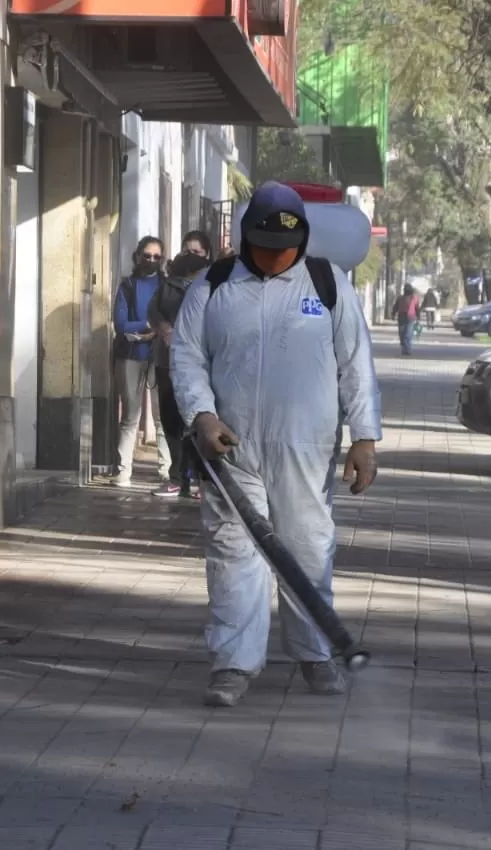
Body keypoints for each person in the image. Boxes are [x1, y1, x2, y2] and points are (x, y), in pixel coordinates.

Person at [171, 181, 382, 707]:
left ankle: (314, 655)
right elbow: (187, 356)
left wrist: (365, 439)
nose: (273, 259)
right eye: (263, 248)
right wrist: (202, 414)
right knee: (233, 554)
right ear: (245, 239)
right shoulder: (213, 286)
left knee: (307, 549)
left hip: (305, 450)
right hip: (231, 450)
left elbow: (357, 365)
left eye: (284, 249)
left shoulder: (327, 285)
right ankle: (233, 665)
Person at [148, 250, 208, 499]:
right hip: (168, 361)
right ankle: (177, 477)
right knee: (172, 419)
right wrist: (166, 330)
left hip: (198, 362)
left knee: (196, 420)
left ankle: (200, 479)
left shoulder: (209, 287)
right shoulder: (166, 288)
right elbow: (153, 313)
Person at [113, 237, 172, 488]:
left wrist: (156, 330)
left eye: (156, 256)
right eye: (147, 255)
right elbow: (121, 324)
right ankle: (123, 471)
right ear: (138, 256)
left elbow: (172, 321)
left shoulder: (167, 286)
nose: (151, 260)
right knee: (130, 416)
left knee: (162, 417)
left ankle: (167, 472)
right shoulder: (127, 285)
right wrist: (150, 325)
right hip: (129, 355)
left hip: (159, 356)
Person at [393, 284, 420, 356]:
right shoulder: (400, 298)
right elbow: (395, 307)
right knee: (402, 334)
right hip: (403, 317)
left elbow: (417, 308)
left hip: (409, 318)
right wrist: (393, 314)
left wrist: (418, 317)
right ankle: (404, 349)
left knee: (407, 334)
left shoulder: (414, 298)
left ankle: (407, 350)